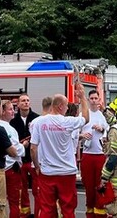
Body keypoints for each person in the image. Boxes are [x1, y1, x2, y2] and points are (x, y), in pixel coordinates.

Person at [30, 84, 90, 218]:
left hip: (47, 172)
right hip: (67, 172)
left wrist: (38, 166)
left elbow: (33, 148)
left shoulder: (39, 122)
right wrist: (82, 98)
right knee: (68, 209)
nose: (68, 108)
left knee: (47, 208)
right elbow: (86, 118)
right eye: (67, 105)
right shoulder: (67, 122)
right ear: (60, 106)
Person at [9, 94, 39, 218]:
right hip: (20, 160)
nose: (26, 103)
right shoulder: (13, 121)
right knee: (22, 190)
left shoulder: (37, 119)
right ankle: (24, 214)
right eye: (23, 101)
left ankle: (38, 214)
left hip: (33, 160)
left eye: (27, 100)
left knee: (37, 190)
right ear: (18, 104)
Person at [80, 89, 109, 218]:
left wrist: (101, 129)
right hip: (87, 154)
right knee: (88, 187)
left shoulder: (102, 116)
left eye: (95, 98)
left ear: (99, 100)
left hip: (100, 155)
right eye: (91, 98)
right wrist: (82, 135)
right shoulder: (83, 114)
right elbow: (74, 134)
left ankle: (100, 212)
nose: (93, 101)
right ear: (88, 99)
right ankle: (90, 213)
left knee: (100, 186)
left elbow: (108, 131)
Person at [0, 100, 26, 218]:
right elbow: (16, 150)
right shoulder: (9, 129)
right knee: (14, 203)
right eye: (10, 109)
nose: (13, 112)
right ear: (2, 111)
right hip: (11, 170)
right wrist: (23, 146)